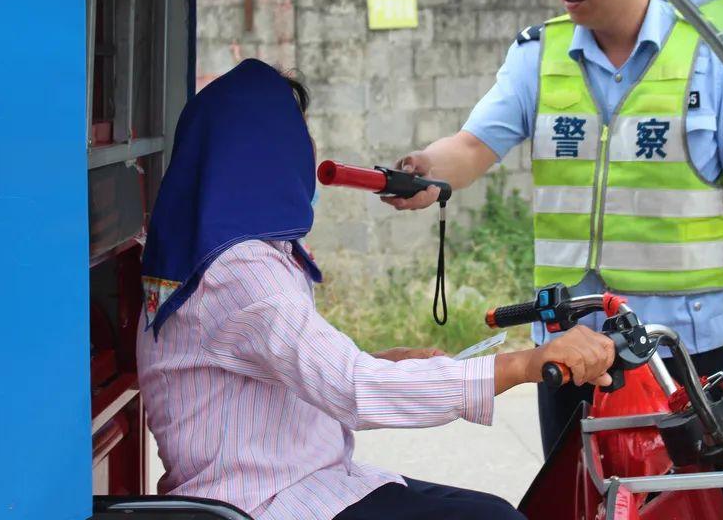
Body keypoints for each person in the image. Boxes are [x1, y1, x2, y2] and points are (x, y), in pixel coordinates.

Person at [136, 59, 617, 520]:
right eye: (297, 133)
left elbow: (282, 367)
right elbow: (352, 389)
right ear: (265, 148)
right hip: (272, 499)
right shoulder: (241, 268)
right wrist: (520, 365)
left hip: (301, 480)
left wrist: (383, 361)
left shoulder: (219, 255)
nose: (306, 149)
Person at [386, 0, 723, 457]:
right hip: (568, 345)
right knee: (574, 493)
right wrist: (425, 170)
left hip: (680, 346)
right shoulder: (539, 54)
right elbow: (469, 147)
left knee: (682, 503)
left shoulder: (711, 57)